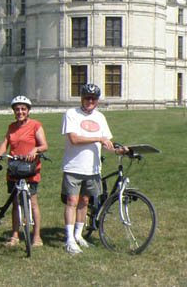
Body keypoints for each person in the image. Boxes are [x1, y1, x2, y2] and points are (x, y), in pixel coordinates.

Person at [61, 83, 125, 255]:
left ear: (97, 101)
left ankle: (79, 235)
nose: (90, 101)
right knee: (72, 202)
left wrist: (118, 150)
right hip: (74, 166)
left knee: (85, 202)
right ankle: (69, 239)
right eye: (87, 98)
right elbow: (73, 139)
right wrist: (98, 139)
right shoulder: (71, 114)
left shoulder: (100, 118)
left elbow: (107, 143)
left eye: (93, 99)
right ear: (81, 98)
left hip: (93, 168)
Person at [0, 96, 48, 248]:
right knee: (16, 203)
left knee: (33, 203)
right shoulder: (11, 127)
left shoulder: (36, 125)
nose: (20, 112)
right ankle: (15, 235)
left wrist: (35, 149)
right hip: (14, 169)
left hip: (30, 170)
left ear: (28, 110)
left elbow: (44, 145)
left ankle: (36, 237)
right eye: (17, 109)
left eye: (23, 109)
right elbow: (5, 143)